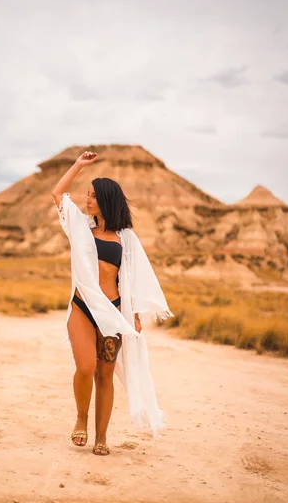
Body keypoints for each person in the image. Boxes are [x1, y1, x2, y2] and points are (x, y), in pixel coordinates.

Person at [52, 150, 174, 456]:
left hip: (114, 314)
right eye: (87, 194)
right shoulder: (80, 228)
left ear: (106, 200)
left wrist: (133, 314)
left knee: (104, 375)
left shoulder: (126, 239)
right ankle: (81, 417)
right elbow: (58, 193)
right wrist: (78, 165)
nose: (87, 199)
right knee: (85, 367)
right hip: (83, 309)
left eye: (93, 195)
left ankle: (102, 437)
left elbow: (131, 279)